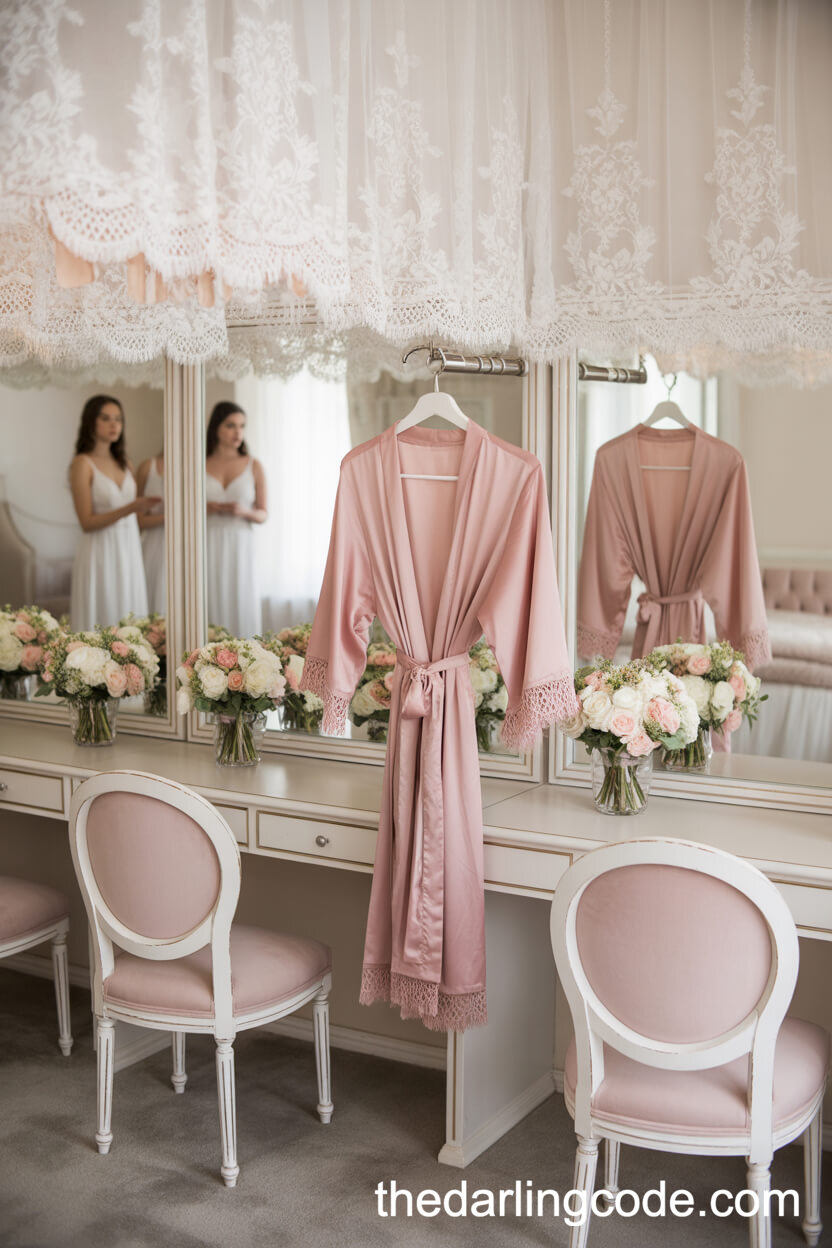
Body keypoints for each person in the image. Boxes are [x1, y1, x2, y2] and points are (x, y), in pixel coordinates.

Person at [69, 395, 159, 631]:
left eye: (118, 419)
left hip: (128, 549)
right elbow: (86, 521)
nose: (114, 425)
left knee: (129, 615)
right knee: (102, 613)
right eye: (106, 418)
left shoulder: (126, 464)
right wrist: (130, 508)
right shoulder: (82, 463)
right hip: (100, 550)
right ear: (91, 423)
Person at [205, 401, 267, 637]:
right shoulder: (198, 462)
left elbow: (263, 513)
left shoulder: (254, 465)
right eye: (231, 425)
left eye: (242, 426)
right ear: (216, 428)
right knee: (209, 598)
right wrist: (207, 508)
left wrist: (244, 512)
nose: (238, 432)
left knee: (239, 597)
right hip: (207, 539)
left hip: (240, 543)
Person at [136, 451, 165, 614]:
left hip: (187, 544)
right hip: (152, 544)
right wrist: (170, 517)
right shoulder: (148, 467)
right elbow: (137, 519)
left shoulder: (200, 466)